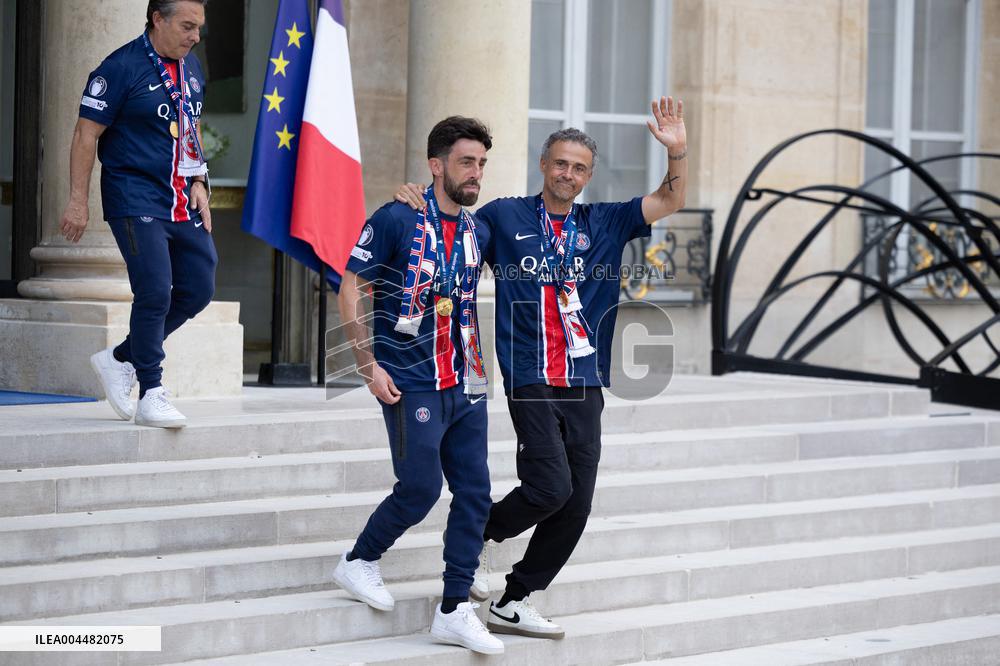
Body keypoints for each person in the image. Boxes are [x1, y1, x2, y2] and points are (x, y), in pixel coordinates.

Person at [395, 96, 688, 639]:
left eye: (578, 167)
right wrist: (415, 201)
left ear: (588, 175)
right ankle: (476, 532)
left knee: (576, 503)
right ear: (543, 165)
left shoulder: (607, 220)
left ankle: (516, 597)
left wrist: (678, 152)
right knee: (550, 487)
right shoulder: (506, 215)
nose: (568, 174)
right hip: (529, 373)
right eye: (560, 163)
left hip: (585, 378)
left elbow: (672, 198)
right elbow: (451, 231)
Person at [333, 117, 504, 655]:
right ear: (436, 166)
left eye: (480, 163)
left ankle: (454, 608)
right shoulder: (396, 218)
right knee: (421, 489)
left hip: (467, 380)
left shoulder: (481, 229)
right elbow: (350, 287)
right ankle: (359, 560)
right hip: (411, 381)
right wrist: (366, 366)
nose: (475, 173)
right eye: (465, 162)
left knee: (475, 493)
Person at [61, 0, 213, 429]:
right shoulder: (119, 67)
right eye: (186, 26)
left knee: (199, 288)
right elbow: (84, 134)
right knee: (154, 291)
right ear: (157, 19)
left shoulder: (192, 67)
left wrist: (200, 180)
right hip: (135, 195)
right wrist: (77, 201)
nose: (194, 36)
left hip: (181, 197)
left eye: (199, 28)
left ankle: (121, 358)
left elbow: (192, 126)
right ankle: (152, 390)